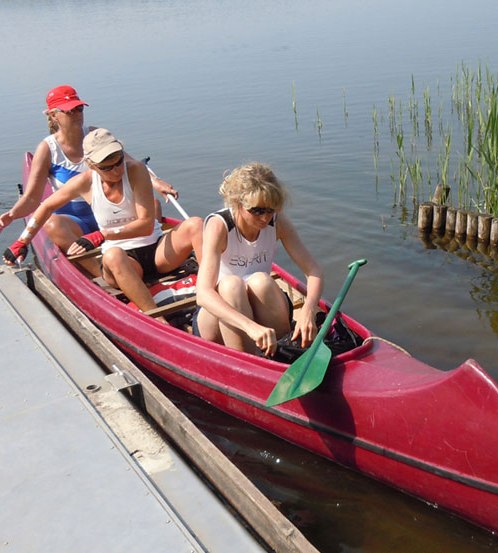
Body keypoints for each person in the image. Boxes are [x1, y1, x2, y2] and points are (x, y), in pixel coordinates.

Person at [3, 128, 203, 322]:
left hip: (157, 251)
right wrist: (21, 242)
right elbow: (46, 207)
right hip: (126, 262)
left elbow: (146, 226)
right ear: (90, 164)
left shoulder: (136, 170)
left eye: (118, 162)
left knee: (196, 224)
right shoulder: (85, 182)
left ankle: (212, 290)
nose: (116, 171)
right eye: (106, 167)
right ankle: (158, 320)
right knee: (113, 255)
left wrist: (102, 235)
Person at [0, 84, 178, 275]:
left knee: (153, 205)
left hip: (110, 213)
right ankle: (101, 274)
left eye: (79, 108)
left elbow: (130, 164)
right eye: (69, 111)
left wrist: (157, 182)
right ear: (53, 115)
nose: (77, 114)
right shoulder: (48, 149)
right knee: (52, 224)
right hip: (75, 220)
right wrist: (12, 216)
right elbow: (33, 199)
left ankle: (151, 255)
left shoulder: (96, 137)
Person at [194, 163, 323, 357]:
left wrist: (308, 309)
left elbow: (314, 271)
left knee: (261, 281)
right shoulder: (218, 226)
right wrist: (250, 327)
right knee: (232, 285)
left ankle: (284, 353)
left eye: (270, 210)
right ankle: (246, 361)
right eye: (257, 211)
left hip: (260, 306)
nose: (265, 218)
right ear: (237, 204)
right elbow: (203, 294)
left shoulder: (278, 222)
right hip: (219, 316)